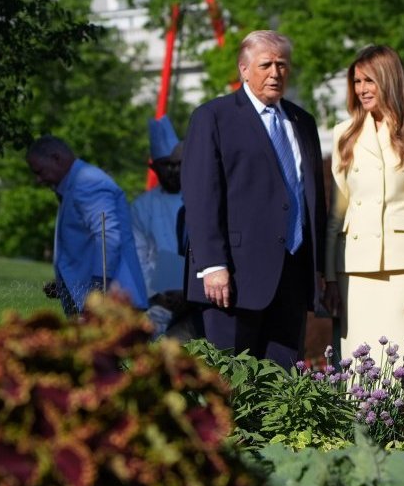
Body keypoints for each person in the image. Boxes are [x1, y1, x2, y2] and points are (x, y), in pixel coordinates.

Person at [180, 30, 327, 368]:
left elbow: (313, 199)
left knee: (283, 387)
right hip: (233, 278)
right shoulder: (213, 117)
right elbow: (202, 196)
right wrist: (213, 266)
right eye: (266, 65)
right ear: (244, 69)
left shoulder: (303, 122)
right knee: (230, 384)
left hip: (292, 274)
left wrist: (319, 269)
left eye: (283, 65)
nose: (276, 73)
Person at [322, 45, 404, 358]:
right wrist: (330, 277)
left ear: (389, 80)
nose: (361, 89)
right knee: (361, 382)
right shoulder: (343, 134)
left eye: (369, 81)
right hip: (355, 270)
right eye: (357, 81)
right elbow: (337, 213)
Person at [26, 135, 148, 316]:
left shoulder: (87, 182)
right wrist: (64, 283)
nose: (39, 180)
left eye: (39, 171)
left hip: (112, 303)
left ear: (56, 158)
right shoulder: (77, 182)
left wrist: (97, 291)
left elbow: (109, 237)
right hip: (105, 301)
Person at [131, 116, 187, 337]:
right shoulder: (141, 206)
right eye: (166, 165)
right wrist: (156, 295)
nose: (173, 171)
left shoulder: (201, 198)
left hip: (197, 296)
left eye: (177, 164)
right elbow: (138, 256)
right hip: (157, 299)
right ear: (153, 167)